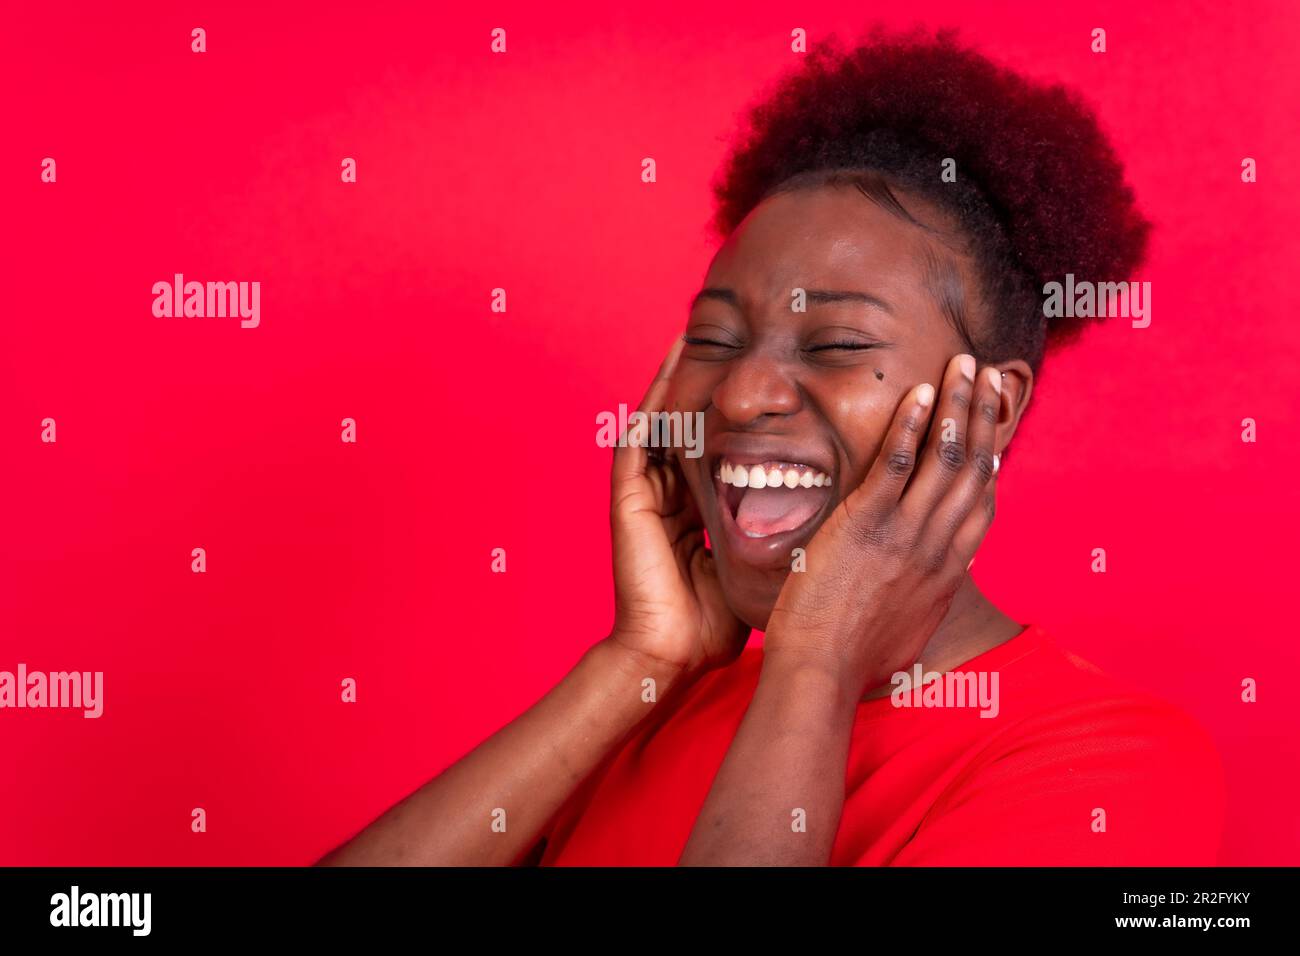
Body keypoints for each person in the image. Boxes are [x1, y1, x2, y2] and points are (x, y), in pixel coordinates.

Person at [317, 28, 1224, 867]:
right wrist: (638, 665)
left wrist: (818, 660)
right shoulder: (653, 712)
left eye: (835, 346)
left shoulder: (1111, 761)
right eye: (713, 341)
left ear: (987, 407)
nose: (742, 393)